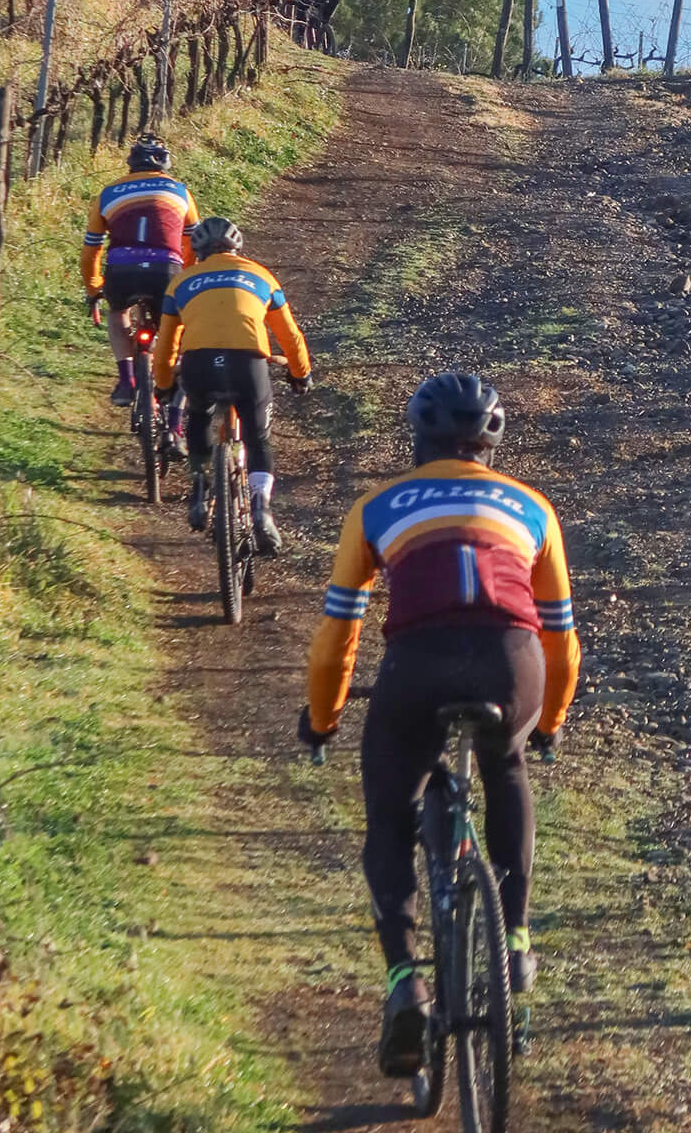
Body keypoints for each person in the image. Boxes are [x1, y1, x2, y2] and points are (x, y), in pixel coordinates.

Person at [297, 372, 579, 1079]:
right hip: (511, 664)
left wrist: (324, 720)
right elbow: (562, 642)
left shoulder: (376, 507)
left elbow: (337, 638)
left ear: (416, 438)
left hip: (417, 665)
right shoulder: (534, 508)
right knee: (506, 765)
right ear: (491, 443)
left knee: (390, 815)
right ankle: (515, 938)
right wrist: (548, 723)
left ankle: (405, 982)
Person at [151, 216, 312, 556]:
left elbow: (166, 344)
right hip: (247, 365)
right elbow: (290, 335)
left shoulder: (181, 282)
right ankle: (261, 509)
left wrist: (163, 384)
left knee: (198, 414)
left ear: (198, 252)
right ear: (237, 248)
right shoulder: (261, 276)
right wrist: (301, 373)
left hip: (199, 364)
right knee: (258, 438)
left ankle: (199, 489)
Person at [79, 137, 200, 409]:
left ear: (131, 164)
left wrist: (93, 288)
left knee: (117, 312)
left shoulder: (108, 193)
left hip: (122, 271)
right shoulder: (180, 191)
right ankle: (169, 382)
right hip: (166, 270)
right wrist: (187, 275)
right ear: (165, 164)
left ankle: (126, 380)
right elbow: (193, 241)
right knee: (171, 322)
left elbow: (91, 250)